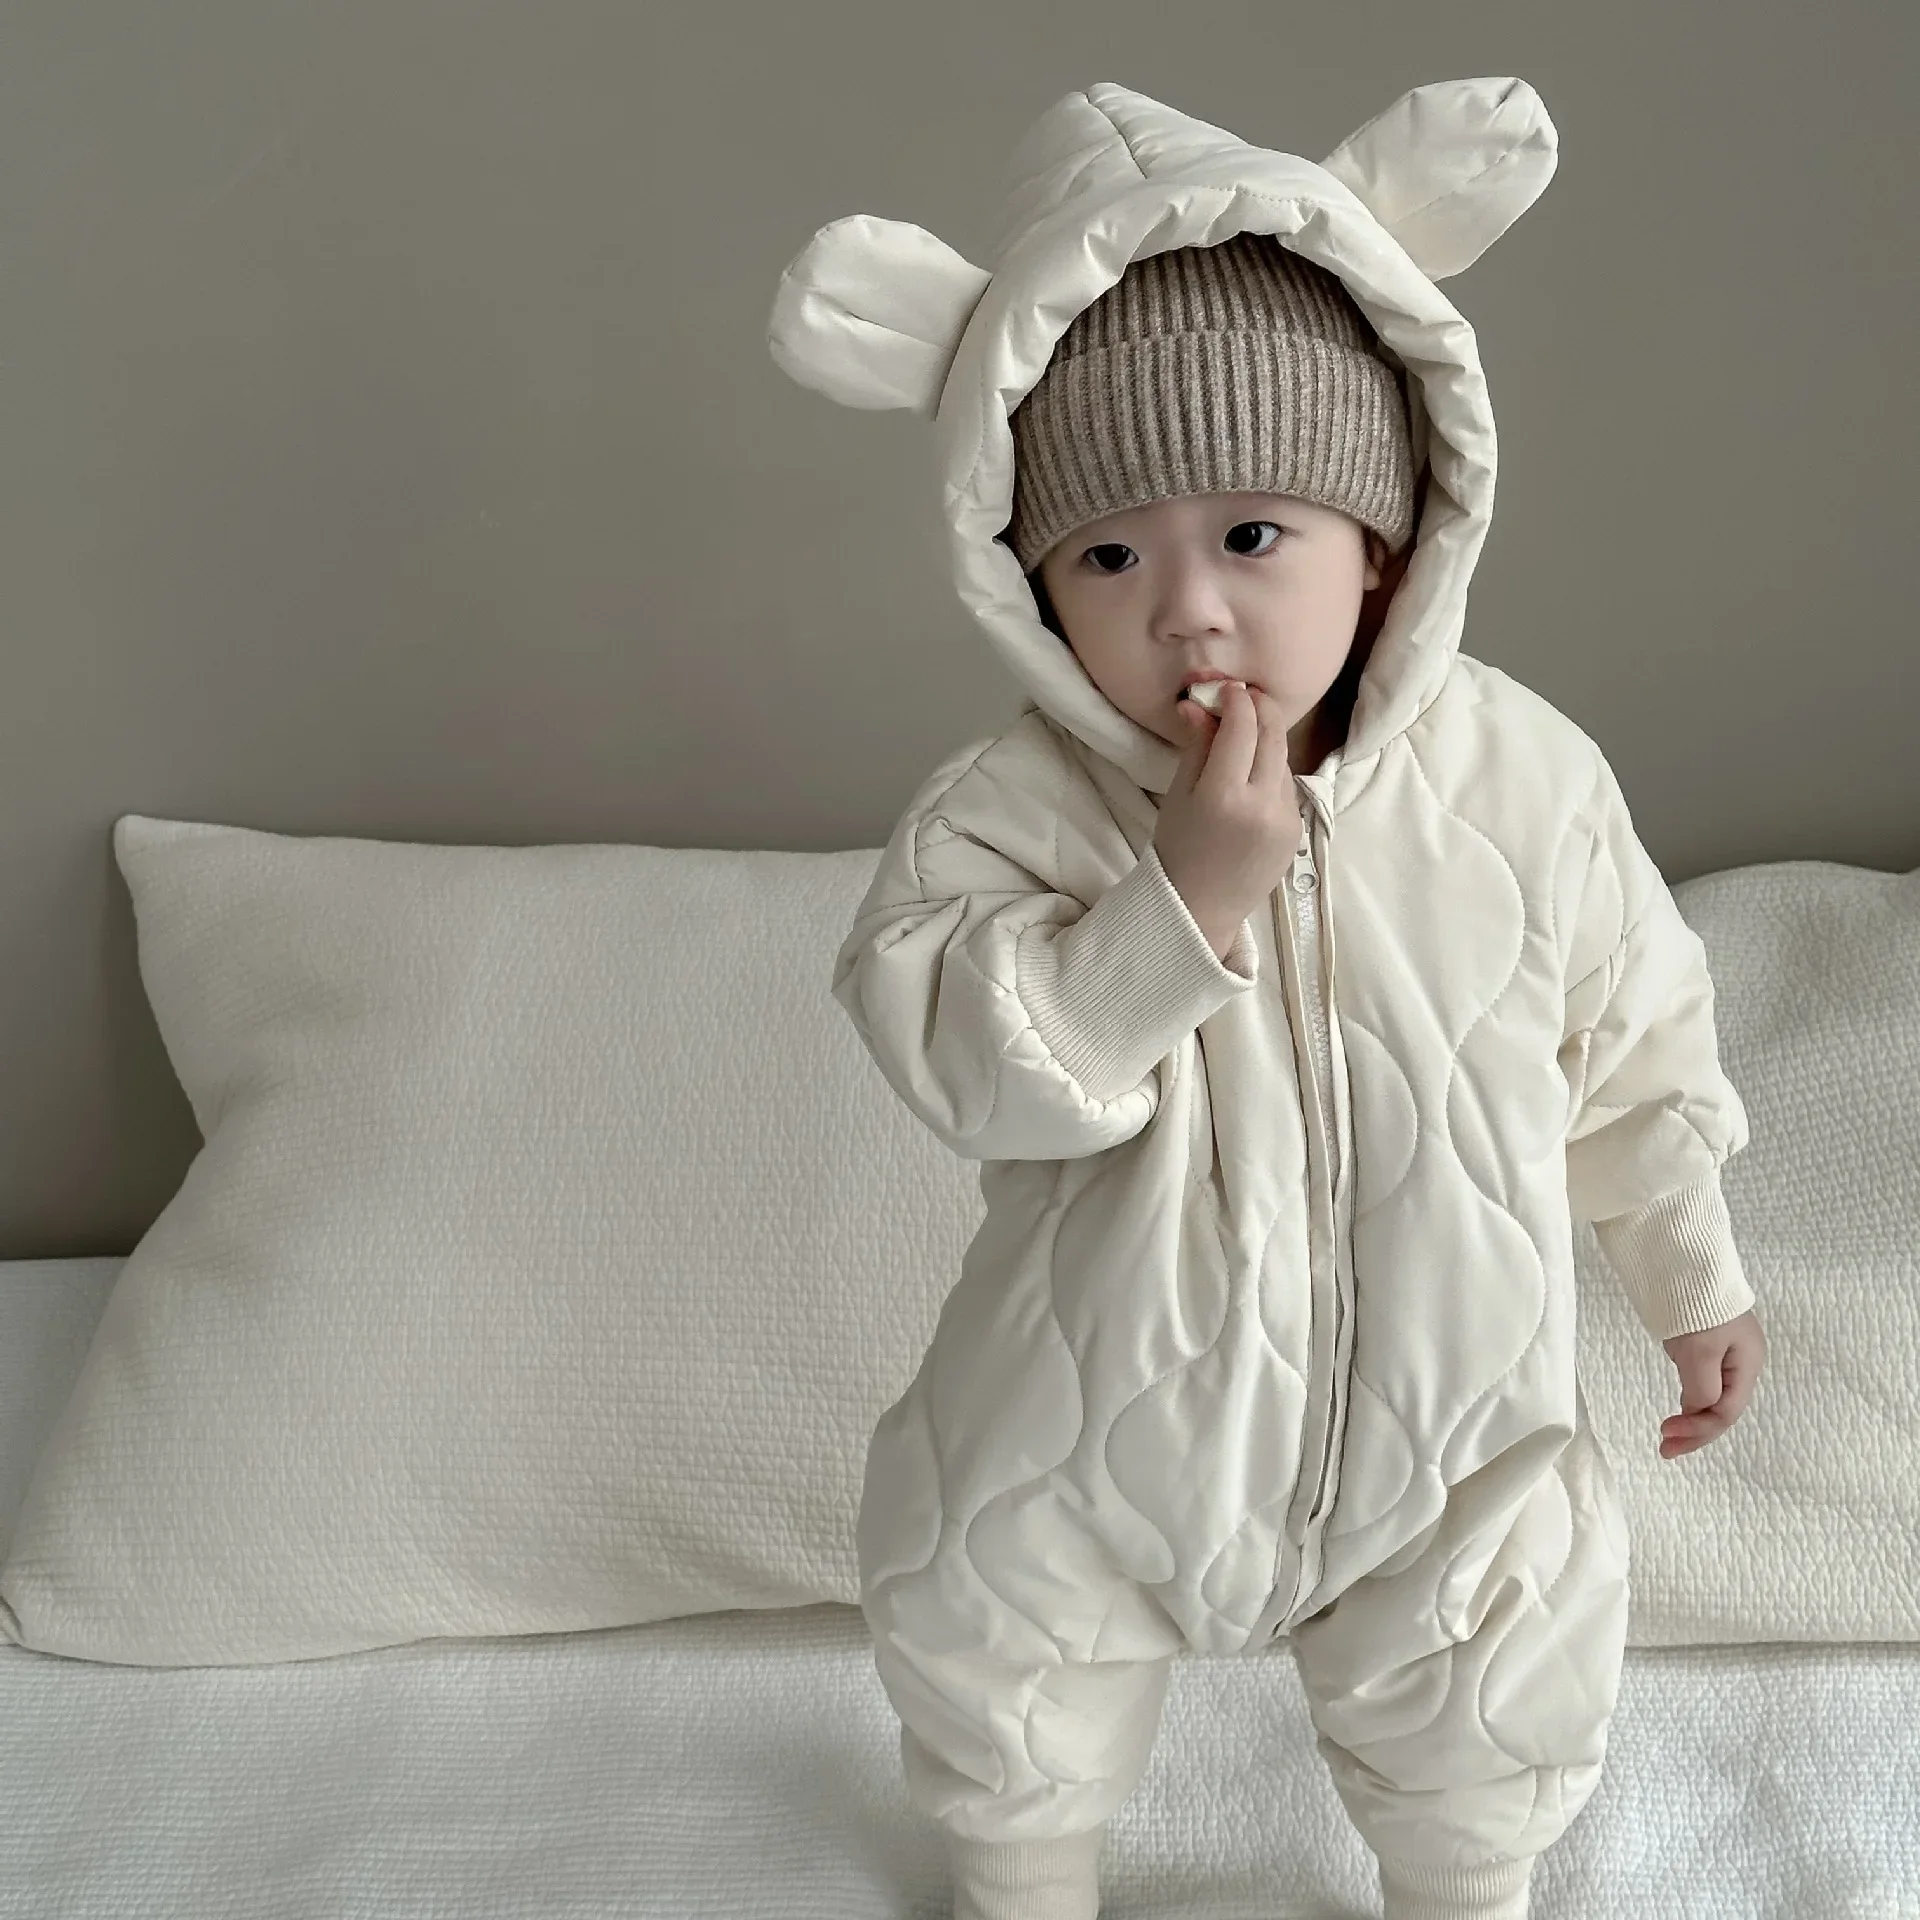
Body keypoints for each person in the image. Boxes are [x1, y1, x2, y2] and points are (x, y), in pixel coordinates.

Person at [769, 79, 1766, 1920]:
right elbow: (971, 1059)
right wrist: (1182, 904)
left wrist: (1690, 1276)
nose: (1187, 614)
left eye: (1252, 536)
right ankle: (1024, 1873)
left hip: (1446, 1426)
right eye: (1108, 556)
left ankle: (1462, 1884)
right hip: (1092, 1421)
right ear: (1025, 584)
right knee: (999, 1606)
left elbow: (1628, 1042)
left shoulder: (1523, 781)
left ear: (1384, 540)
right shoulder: (1012, 810)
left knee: (1497, 1649)